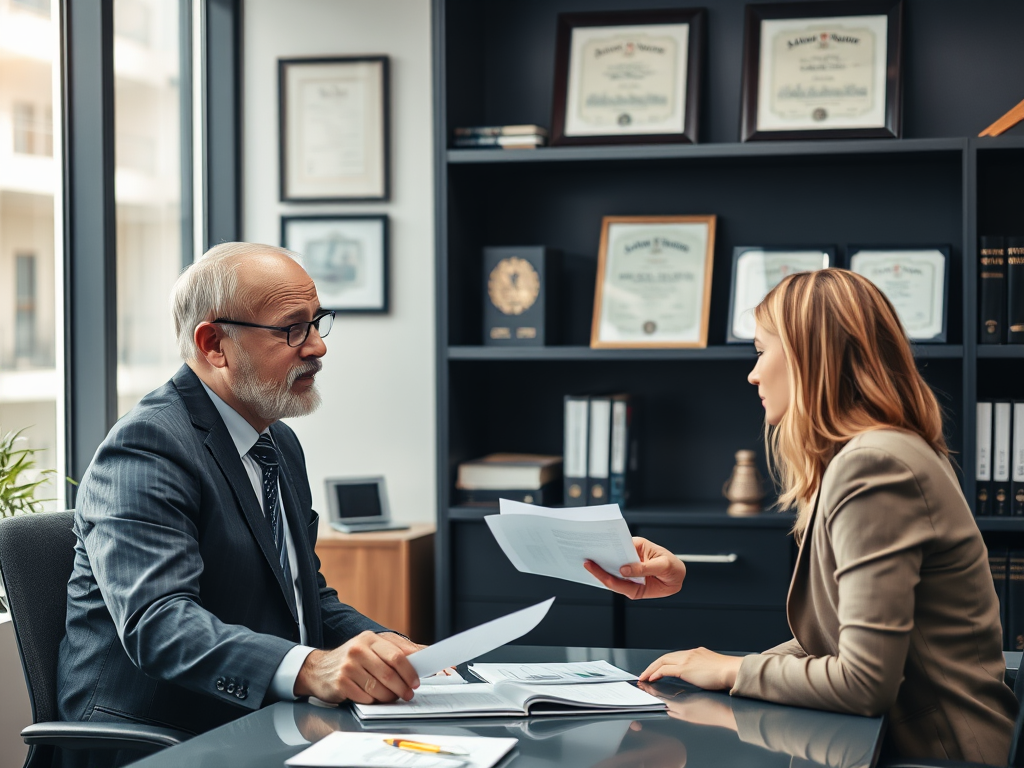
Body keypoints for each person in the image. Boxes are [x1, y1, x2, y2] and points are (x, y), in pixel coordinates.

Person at [585, 269, 1017, 764]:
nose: (752, 374)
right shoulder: (873, 455)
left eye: (761, 350)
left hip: (940, 756)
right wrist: (726, 667)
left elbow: (863, 683)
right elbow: (834, 640)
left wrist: (732, 671)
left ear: (808, 356)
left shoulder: (874, 467)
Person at [57, 243, 424, 738]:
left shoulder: (278, 443)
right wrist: (311, 668)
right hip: (156, 735)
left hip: (263, 719)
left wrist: (386, 646)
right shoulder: (147, 447)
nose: (317, 346)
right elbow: (160, 625)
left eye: (318, 322)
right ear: (213, 344)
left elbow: (304, 596)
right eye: (293, 328)